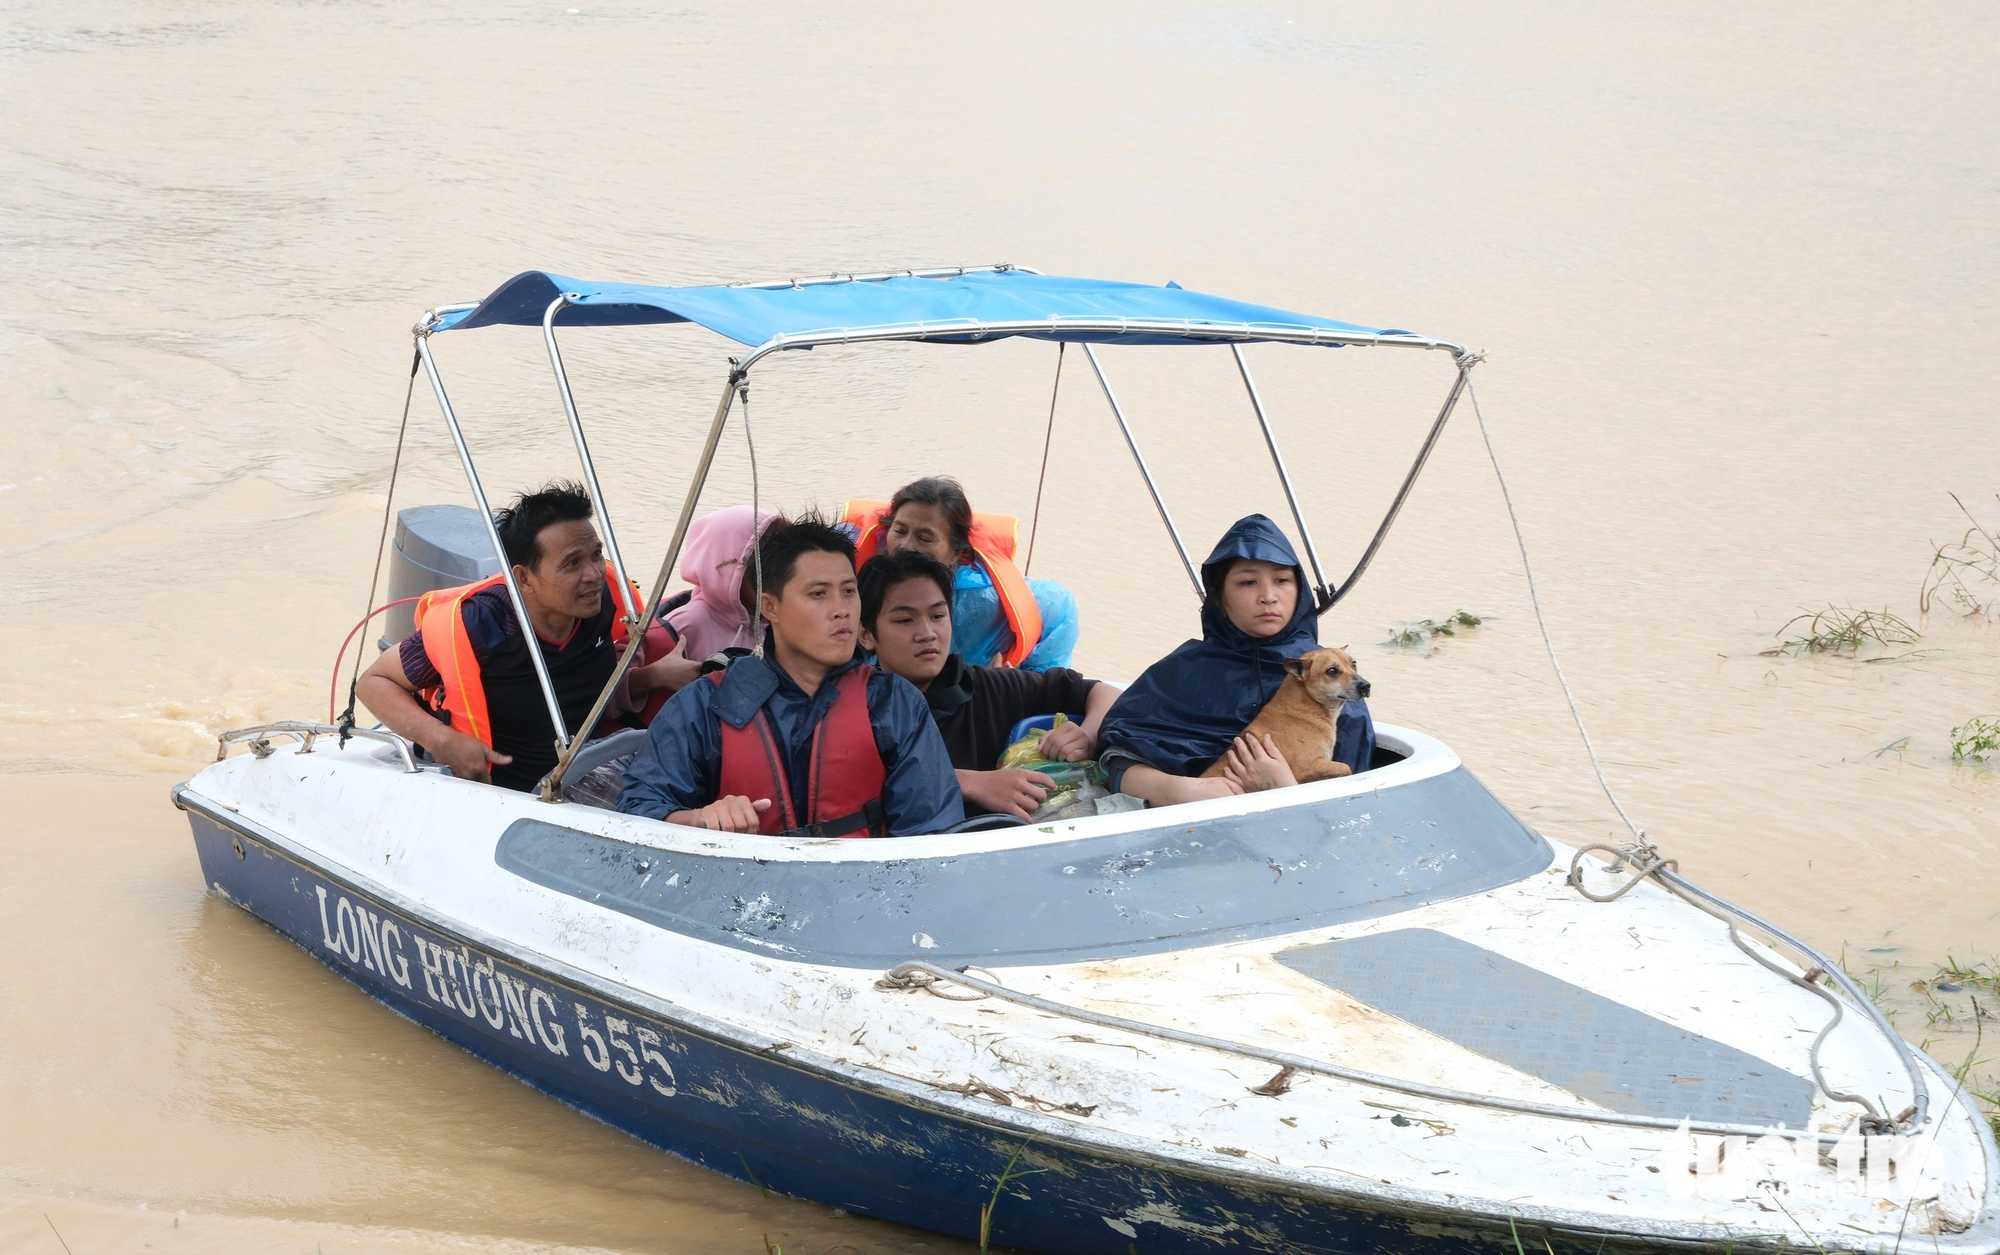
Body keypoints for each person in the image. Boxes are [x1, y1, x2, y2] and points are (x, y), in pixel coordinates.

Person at [616, 513, 963, 836]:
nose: (842, 610)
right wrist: (699, 818)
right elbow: (637, 813)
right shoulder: (705, 705)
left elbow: (932, 834)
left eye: (848, 591)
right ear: (770, 607)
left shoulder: (894, 704)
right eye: (818, 594)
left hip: (864, 892)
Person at [358, 482, 683, 792]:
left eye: (596, 555)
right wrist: (443, 741)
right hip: (517, 796)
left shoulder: (600, 602)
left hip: (592, 768)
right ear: (524, 578)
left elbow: (579, 688)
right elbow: (373, 682)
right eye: (573, 563)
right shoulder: (483, 625)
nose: (594, 574)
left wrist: (649, 677)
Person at [1096, 514, 1375, 808]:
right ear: (1219, 597)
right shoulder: (1180, 671)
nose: (1268, 596)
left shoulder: (1332, 681)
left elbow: (1355, 810)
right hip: (1181, 823)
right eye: (1248, 582)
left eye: (1282, 580)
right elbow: (1112, 765)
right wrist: (1177, 790)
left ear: (1300, 590)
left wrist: (1284, 788)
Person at [857, 549, 1122, 819]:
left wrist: (1088, 734)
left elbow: (1104, 692)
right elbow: (852, 779)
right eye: (905, 620)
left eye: (937, 616)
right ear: (865, 634)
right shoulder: (853, 708)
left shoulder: (991, 688)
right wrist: (968, 783)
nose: (927, 634)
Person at [842, 477, 1079, 671]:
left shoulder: (982, 601)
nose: (906, 545)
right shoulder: (848, 573)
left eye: (925, 538)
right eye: (900, 531)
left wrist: (1005, 684)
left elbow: (1058, 605)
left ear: (957, 552)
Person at [634, 505, 781, 722]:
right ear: (729, 572)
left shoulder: (780, 622)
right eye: (765, 570)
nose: (781, 581)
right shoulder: (687, 623)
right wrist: (654, 676)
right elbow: (607, 694)